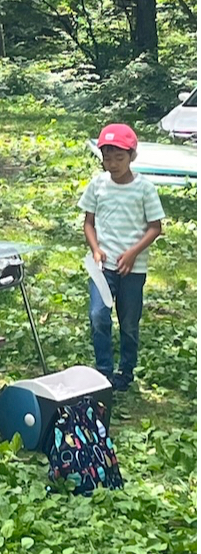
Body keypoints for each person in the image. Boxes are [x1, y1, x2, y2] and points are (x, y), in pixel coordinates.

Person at [78, 123, 164, 391]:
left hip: (132, 268)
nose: (113, 164)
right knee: (98, 315)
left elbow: (155, 227)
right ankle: (103, 372)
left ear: (132, 156)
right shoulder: (97, 185)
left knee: (128, 322)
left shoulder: (144, 188)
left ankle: (125, 371)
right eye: (107, 158)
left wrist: (133, 253)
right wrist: (95, 249)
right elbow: (88, 223)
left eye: (119, 158)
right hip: (102, 266)